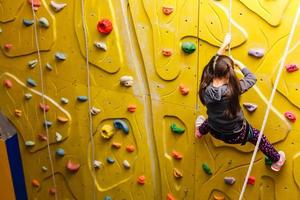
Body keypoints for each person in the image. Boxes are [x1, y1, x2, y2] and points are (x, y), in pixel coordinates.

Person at [195, 34, 285, 172]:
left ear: (212, 72)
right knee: (259, 138)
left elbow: (212, 64)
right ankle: (277, 160)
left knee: (211, 120)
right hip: (237, 135)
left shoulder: (205, 85)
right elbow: (252, 78)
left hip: (215, 130)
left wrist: (224, 45)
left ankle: (199, 132)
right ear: (229, 73)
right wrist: (240, 65)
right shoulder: (233, 89)